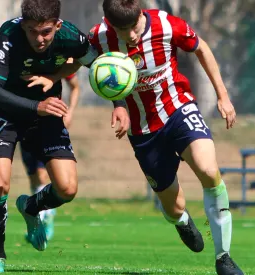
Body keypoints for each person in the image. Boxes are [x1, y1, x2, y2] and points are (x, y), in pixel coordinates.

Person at [86, 1, 243, 274]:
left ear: (141, 14)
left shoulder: (166, 25)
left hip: (178, 110)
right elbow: (80, 60)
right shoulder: (99, 37)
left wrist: (223, 95)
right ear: (110, 24)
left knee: (208, 170)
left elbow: (202, 48)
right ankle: (181, 221)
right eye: (123, 30)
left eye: (134, 26)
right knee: (174, 207)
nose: (131, 35)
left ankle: (224, 258)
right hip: (143, 132)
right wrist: (118, 105)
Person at [0, 0, 127, 272]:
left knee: (67, 188)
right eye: (33, 31)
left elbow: (98, 66)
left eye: (46, 31)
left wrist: (119, 104)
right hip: (6, 112)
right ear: (23, 25)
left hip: (47, 113)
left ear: (57, 25)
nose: (40, 38)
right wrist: (37, 106)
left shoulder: (72, 36)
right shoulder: (9, 35)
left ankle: (31, 207)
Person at [19, 73, 80, 241]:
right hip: (24, 123)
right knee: (34, 178)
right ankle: (36, 214)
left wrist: (70, 111)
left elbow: (75, 86)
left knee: (42, 175)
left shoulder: (60, 58)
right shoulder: (20, 56)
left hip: (50, 126)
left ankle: (47, 217)